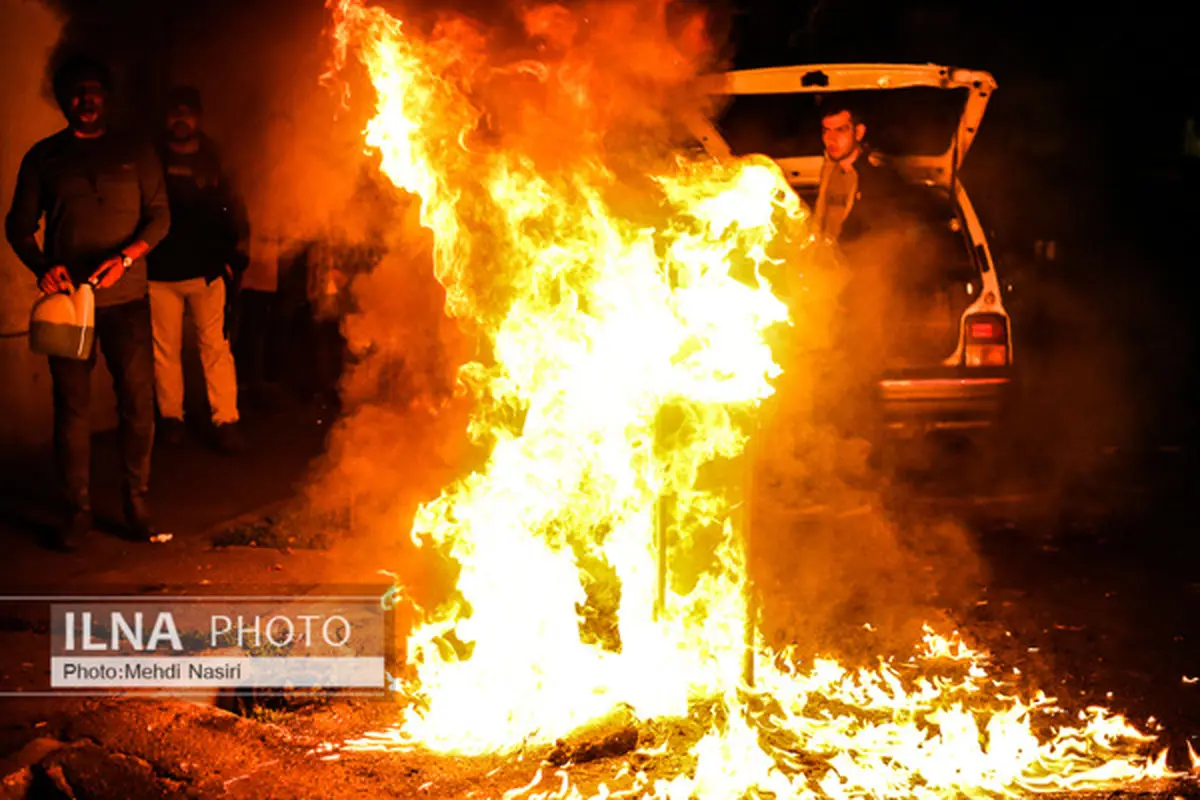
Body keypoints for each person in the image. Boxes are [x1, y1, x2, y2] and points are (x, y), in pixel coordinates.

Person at [5, 55, 171, 550]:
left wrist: (126, 258)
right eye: (78, 92)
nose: (87, 100)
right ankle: (77, 511)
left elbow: (160, 217)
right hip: (66, 306)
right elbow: (18, 224)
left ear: (108, 98)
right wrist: (42, 267)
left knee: (139, 404)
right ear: (64, 100)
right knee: (72, 409)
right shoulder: (44, 157)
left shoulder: (135, 150)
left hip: (127, 300)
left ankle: (136, 502)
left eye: (95, 91)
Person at [146, 86, 248, 451]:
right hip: (160, 272)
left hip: (207, 273)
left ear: (198, 118)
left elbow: (234, 208)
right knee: (165, 350)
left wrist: (234, 257)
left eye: (187, 113)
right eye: (175, 113)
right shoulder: (151, 157)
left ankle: (226, 420)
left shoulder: (215, 157)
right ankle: (172, 419)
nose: (181, 120)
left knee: (215, 348)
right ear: (166, 118)